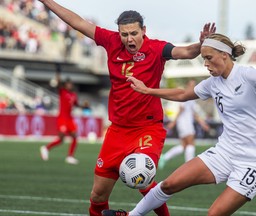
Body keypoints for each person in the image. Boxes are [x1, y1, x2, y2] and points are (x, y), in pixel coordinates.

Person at [38, 1, 216, 215]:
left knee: (143, 180)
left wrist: (200, 44)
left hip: (147, 129)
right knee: (97, 196)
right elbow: (77, 22)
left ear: (143, 31)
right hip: (117, 131)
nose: (129, 39)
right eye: (124, 34)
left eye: (133, 33)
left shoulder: (157, 48)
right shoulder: (111, 41)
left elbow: (186, 52)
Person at [103, 33, 256, 216]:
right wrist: (147, 90)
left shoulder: (247, 74)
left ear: (224, 54)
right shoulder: (212, 83)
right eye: (203, 59)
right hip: (225, 152)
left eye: (209, 58)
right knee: (168, 184)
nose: (206, 64)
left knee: (214, 213)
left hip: (254, 161)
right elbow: (183, 94)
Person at [159, 80, 210, 169]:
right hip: (185, 124)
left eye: (194, 85)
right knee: (190, 144)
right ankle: (189, 166)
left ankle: (165, 157)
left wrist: (202, 123)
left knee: (184, 146)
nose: (193, 87)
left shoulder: (191, 98)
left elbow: (194, 114)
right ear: (187, 86)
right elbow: (180, 110)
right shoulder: (186, 96)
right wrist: (173, 123)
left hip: (185, 124)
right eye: (191, 85)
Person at [40, 64, 80, 165]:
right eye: (68, 84)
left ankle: (70, 157)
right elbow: (58, 83)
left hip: (69, 118)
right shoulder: (62, 91)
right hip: (62, 118)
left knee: (75, 136)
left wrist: (84, 106)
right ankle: (46, 148)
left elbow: (76, 105)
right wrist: (58, 73)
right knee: (61, 138)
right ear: (65, 85)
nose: (70, 85)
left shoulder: (73, 95)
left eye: (71, 84)